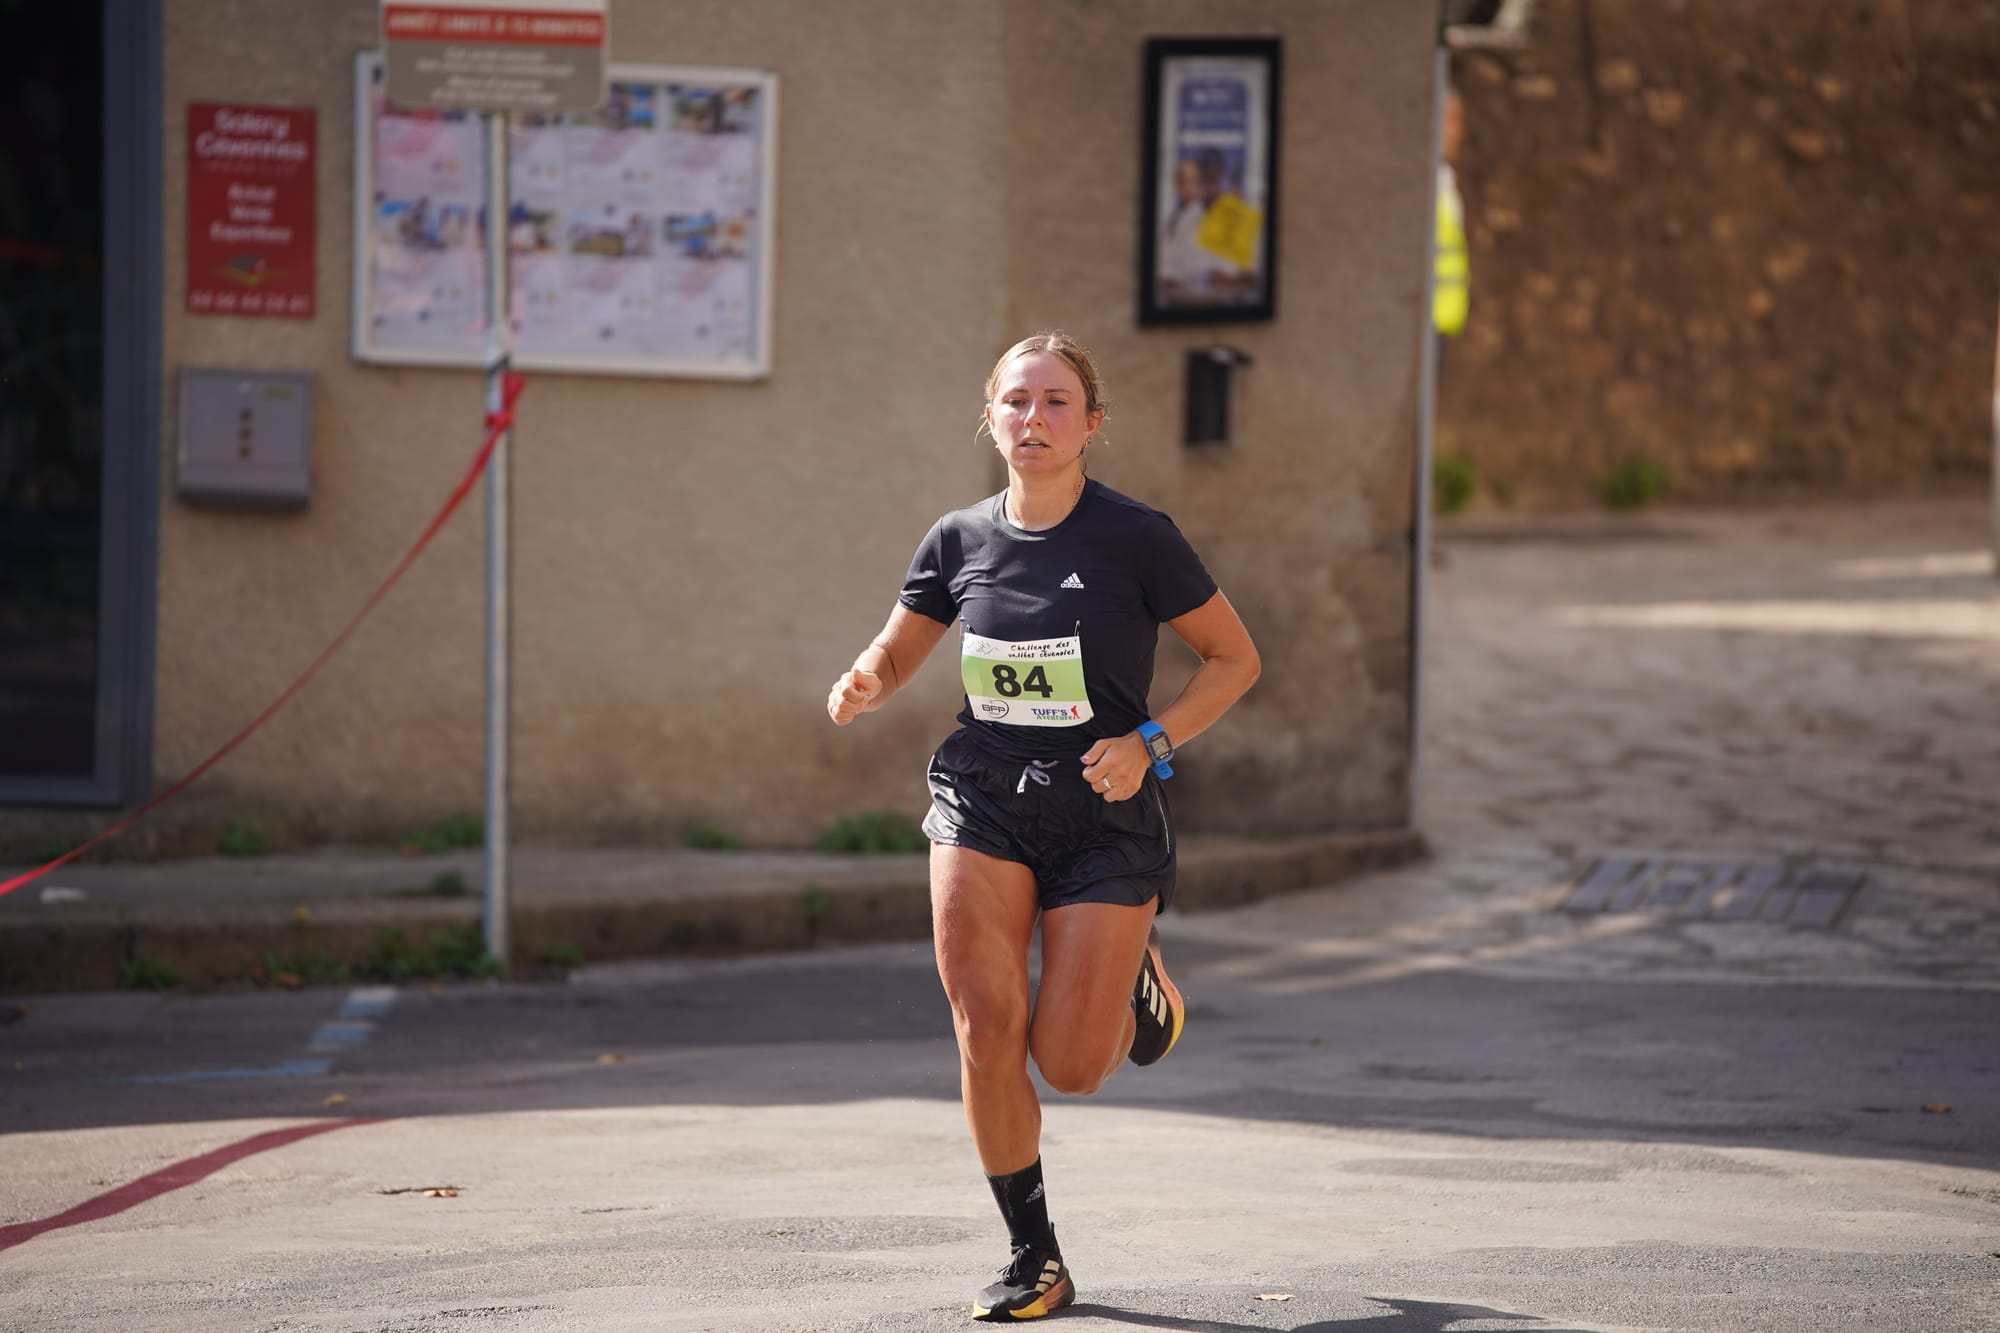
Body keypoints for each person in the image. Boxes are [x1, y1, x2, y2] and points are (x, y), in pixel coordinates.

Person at [826, 332, 1261, 1321]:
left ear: (1091, 424)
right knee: (984, 1025)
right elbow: (899, 653)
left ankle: (1137, 982)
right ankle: (1035, 1258)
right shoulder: (956, 538)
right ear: (989, 418)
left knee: (1071, 1064)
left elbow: (1233, 660)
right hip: (982, 795)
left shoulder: (1135, 538)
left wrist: (1150, 739)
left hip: (1103, 810)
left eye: (1056, 402)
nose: (1034, 419)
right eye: (1016, 401)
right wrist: (864, 679)